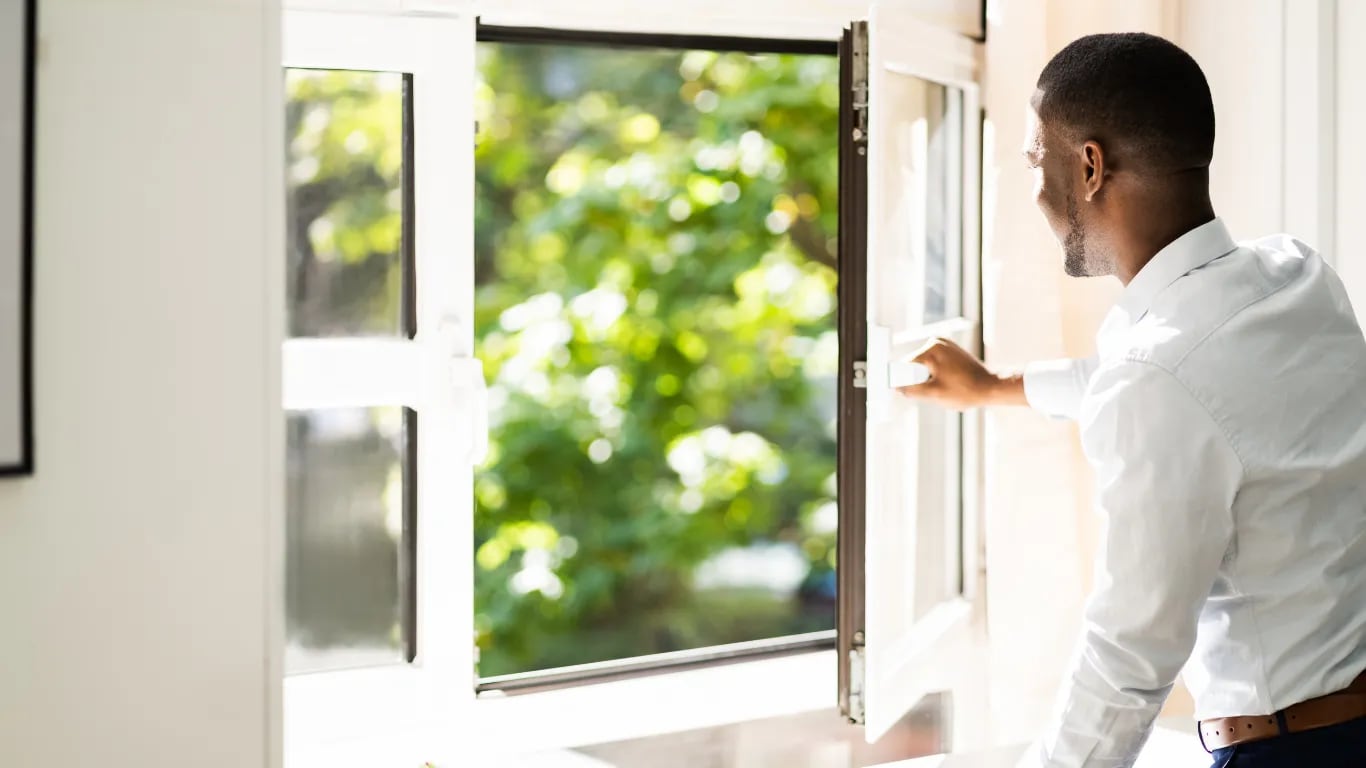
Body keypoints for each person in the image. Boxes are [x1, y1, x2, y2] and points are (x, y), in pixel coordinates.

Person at [901, 33, 1366, 768]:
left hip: (1296, 752)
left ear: (1089, 167)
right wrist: (993, 388)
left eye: (1033, 160)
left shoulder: (1162, 377)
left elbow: (1128, 655)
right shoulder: (1296, 276)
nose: (1032, 188)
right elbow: (1179, 391)